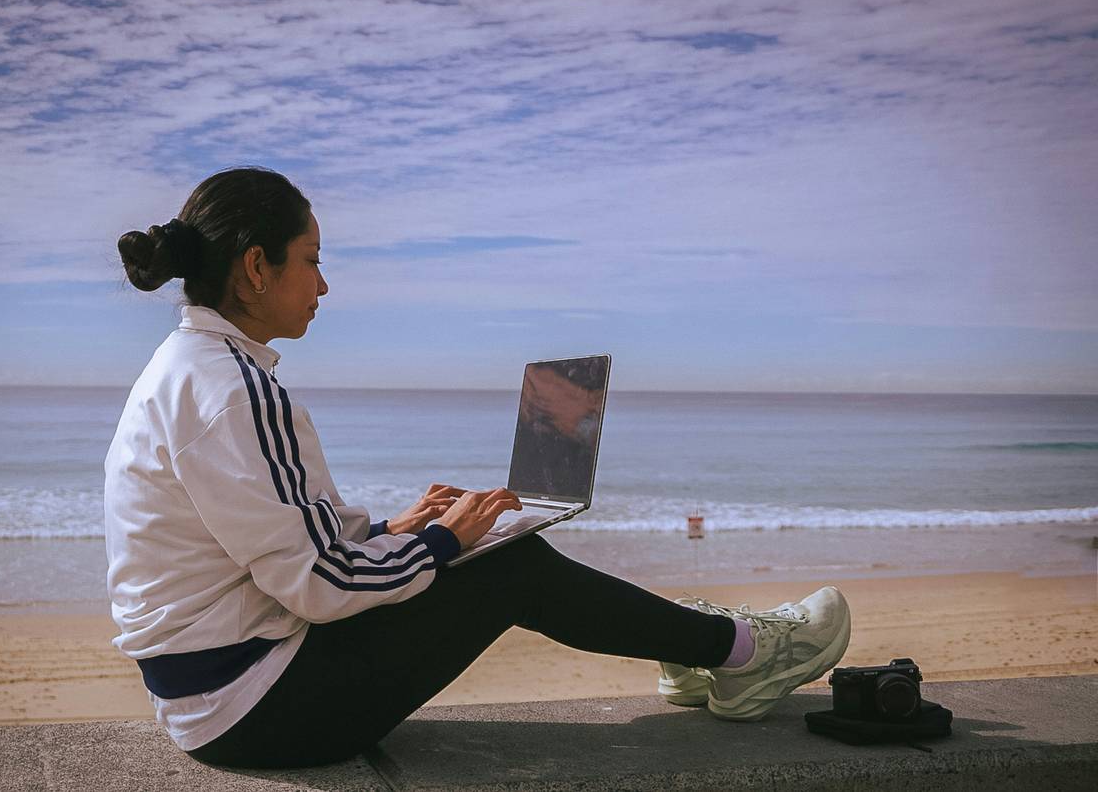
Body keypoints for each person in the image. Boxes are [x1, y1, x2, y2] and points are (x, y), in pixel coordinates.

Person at [105, 166, 852, 769]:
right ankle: (743, 654)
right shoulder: (230, 388)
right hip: (255, 708)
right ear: (256, 268)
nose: (324, 285)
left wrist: (395, 528)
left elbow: (264, 542)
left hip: (220, 691)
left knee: (489, 548)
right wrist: (443, 545)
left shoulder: (196, 370)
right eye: (313, 261)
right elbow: (318, 584)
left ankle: (695, 650)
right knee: (508, 567)